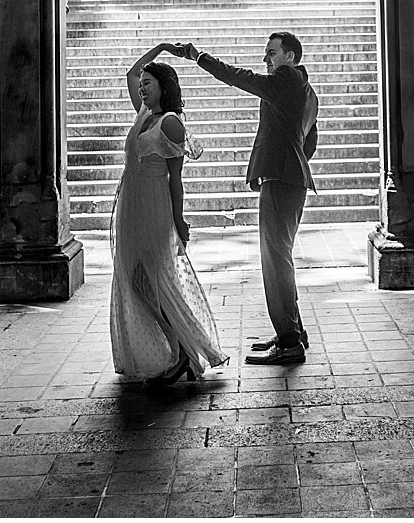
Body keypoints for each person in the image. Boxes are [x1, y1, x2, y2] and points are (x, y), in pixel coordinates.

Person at [176, 32, 318, 366]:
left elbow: (242, 78)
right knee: (280, 257)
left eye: (271, 53)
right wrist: (284, 161)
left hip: (282, 180)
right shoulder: (306, 90)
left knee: (274, 259)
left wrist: (200, 57)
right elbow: (310, 140)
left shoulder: (284, 80)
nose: (266, 59)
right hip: (291, 179)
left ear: (291, 57)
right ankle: (293, 332)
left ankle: (288, 343)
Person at [109, 44, 227, 387]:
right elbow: (131, 73)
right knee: (136, 281)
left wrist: (179, 219)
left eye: (149, 83)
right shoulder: (144, 114)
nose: (142, 87)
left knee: (154, 282)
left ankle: (184, 353)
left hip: (154, 205)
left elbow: (176, 179)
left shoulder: (171, 123)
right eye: (143, 84)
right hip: (133, 204)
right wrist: (161, 47)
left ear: (164, 86)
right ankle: (180, 350)